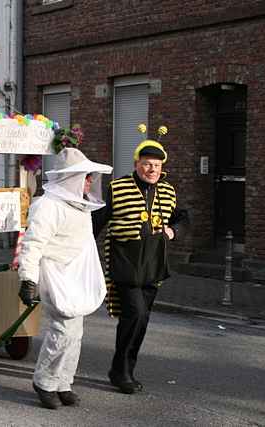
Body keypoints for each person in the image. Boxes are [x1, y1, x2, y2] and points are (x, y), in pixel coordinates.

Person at [18, 147, 113, 409]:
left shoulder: (79, 206)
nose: (90, 182)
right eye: (86, 177)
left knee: (76, 332)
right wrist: (28, 279)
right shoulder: (47, 206)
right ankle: (44, 382)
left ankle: (62, 382)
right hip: (54, 272)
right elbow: (33, 244)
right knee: (62, 330)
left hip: (74, 275)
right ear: (71, 178)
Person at [93, 134, 181, 395]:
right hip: (125, 263)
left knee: (140, 321)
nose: (152, 169)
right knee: (136, 315)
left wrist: (173, 230)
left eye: (156, 164)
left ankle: (123, 369)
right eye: (146, 163)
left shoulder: (168, 190)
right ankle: (121, 372)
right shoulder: (117, 188)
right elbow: (97, 223)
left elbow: (181, 216)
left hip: (153, 266)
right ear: (136, 164)